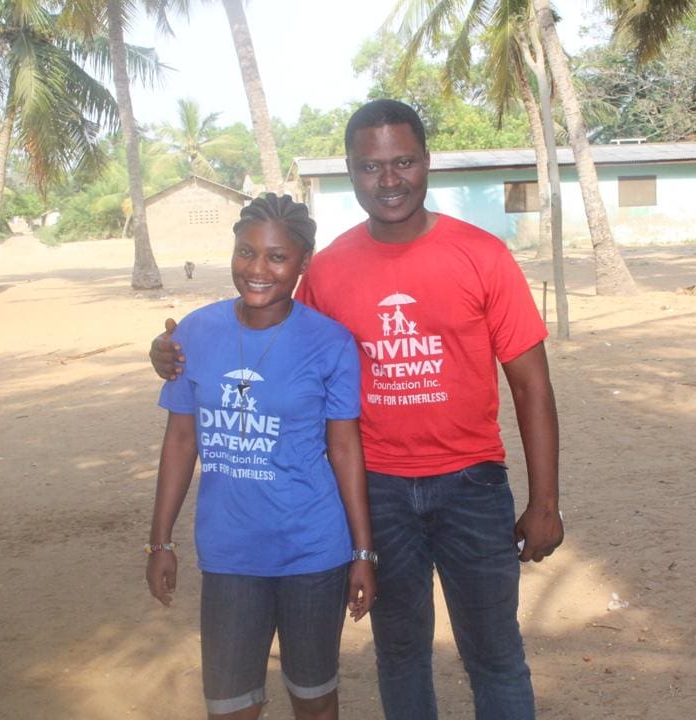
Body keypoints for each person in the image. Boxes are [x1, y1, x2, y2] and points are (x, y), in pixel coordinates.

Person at [152, 100, 563, 720]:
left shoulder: (482, 256)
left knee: (496, 655)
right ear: (350, 170)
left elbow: (532, 386)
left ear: (426, 163)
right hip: (378, 491)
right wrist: (175, 350)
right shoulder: (330, 267)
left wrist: (545, 501)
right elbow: (268, 336)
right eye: (371, 166)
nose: (389, 179)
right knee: (400, 654)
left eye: (403, 162)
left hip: (473, 485)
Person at [145, 193, 376, 720]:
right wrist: (159, 541)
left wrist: (364, 553)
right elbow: (181, 441)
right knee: (230, 706)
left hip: (313, 551)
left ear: (302, 264)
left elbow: (344, 447)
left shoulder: (330, 343)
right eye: (246, 252)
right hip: (230, 553)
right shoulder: (194, 335)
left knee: (314, 698)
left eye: (277, 256)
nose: (258, 269)